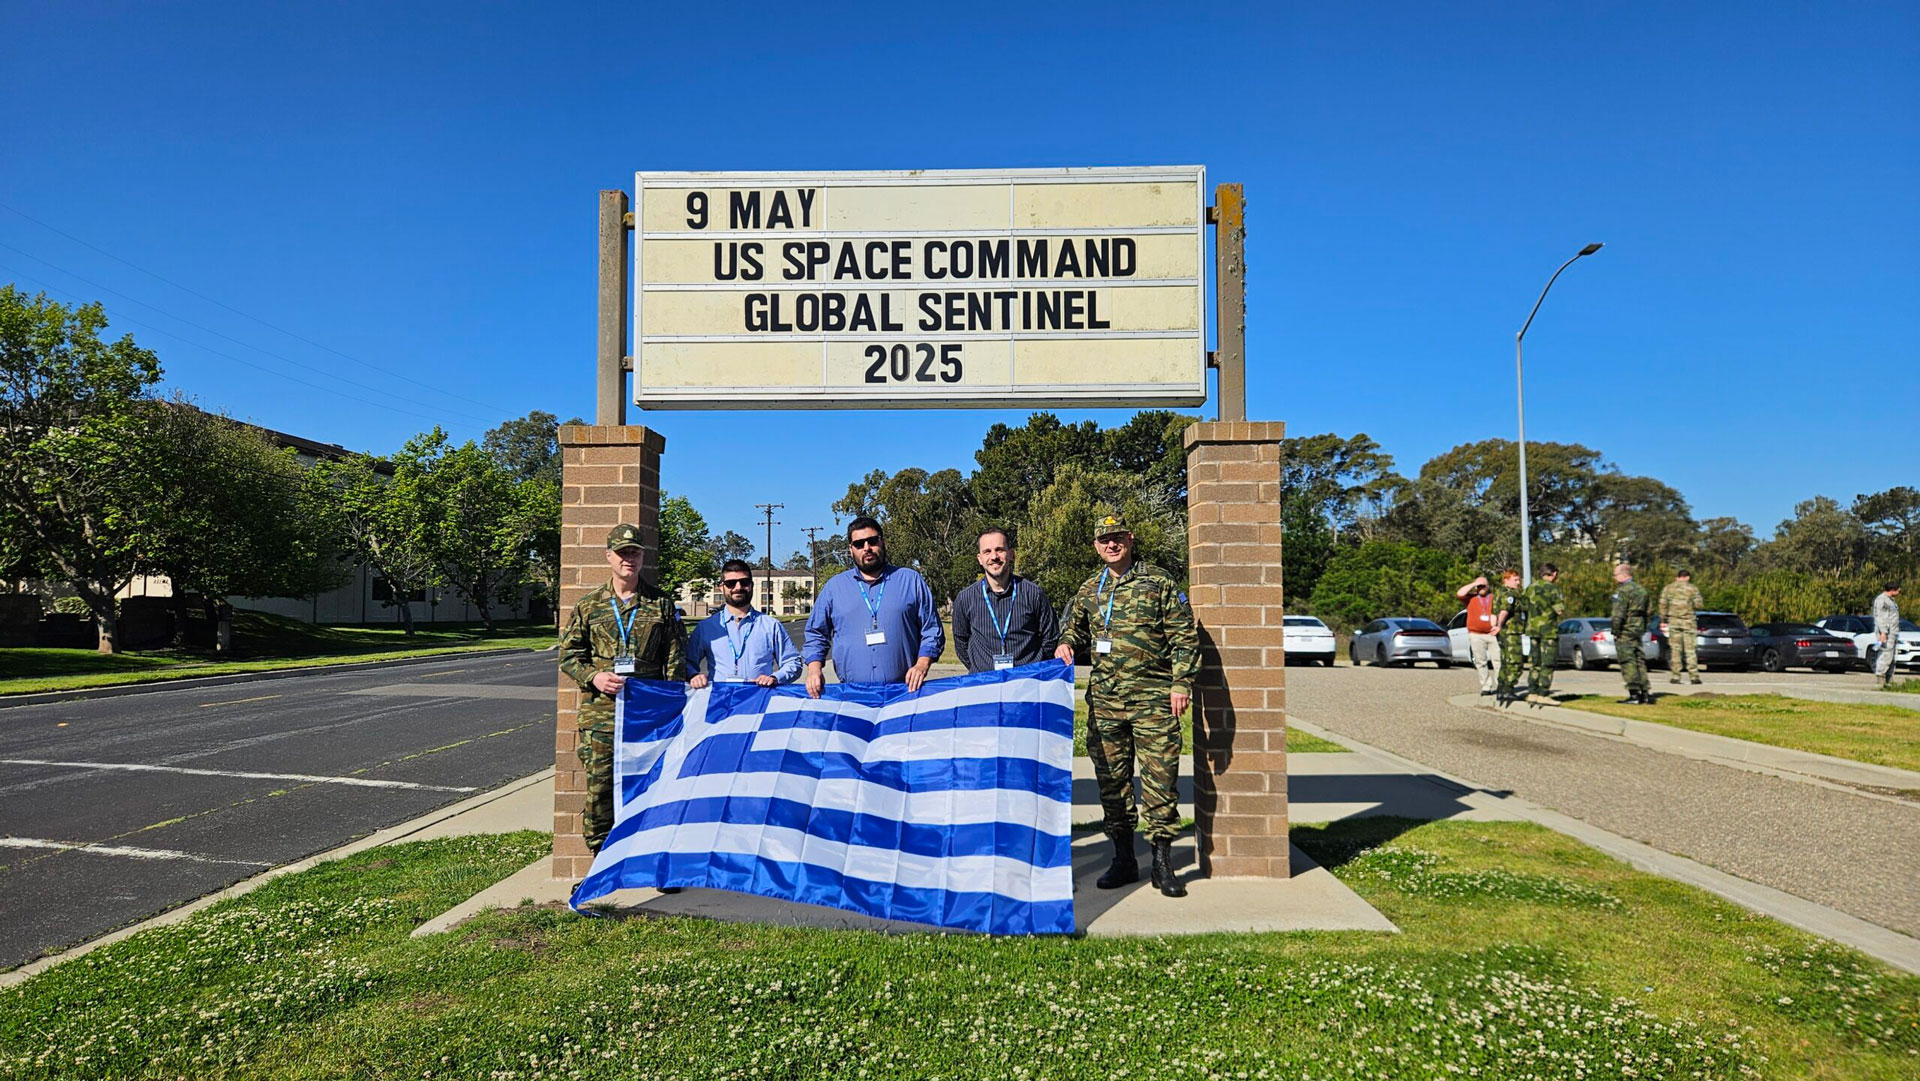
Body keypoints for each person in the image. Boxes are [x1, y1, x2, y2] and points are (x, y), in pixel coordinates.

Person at [1055, 513, 1198, 899]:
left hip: (1153, 700)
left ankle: (1163, 864)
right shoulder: (1089, 588)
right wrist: (1066, 642)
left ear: (1130, 539)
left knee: (1160, 783)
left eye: (1117, 537)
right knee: (1112, 786)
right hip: (1105, 704)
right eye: (1104, 540)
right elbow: (1073, 627)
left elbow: (1185, 637)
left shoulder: (1159, 581)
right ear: (1096, 546)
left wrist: (1181, 682)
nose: (1111, 544)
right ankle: (1123, 859)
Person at [558, 524, 686, 854]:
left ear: (643, 557)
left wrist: (672, 710)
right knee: (600, 788)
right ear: (609, 556)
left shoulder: (661, 605)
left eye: (635, 552)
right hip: (602, 717)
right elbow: (569, 655)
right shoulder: (589, 606)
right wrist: (594, 677)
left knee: (652, 787)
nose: (629, 559)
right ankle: (601, 863)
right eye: (622, 552)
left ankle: (652, 856)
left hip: (647, 718)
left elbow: (675, 661)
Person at [803, 516, 943, 695]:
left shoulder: (910, 580)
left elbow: (932, 630)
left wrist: (922, 665)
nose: (867, 548)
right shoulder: (834, 588)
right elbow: (816, 634)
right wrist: (814, 670)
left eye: (872, 541)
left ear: (882, 542)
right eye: (859, 544)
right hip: (852, 695)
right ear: (851, 549)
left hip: (905, 693)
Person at [950, 527, 1060, 673]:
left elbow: (1050, 638)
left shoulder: (1033, 593)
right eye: (987, 551)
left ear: (1011, 554)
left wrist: (1033, 669)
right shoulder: (965, 598)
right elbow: (961, 643)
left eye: (999, 550)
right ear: (980, 559)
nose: (994, 556)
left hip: (1026, 684)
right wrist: (980, 669)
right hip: (985, 685)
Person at [686, 559, 801, 688]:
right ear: (721, 587)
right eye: (731, 583)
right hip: (720, 702)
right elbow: (687, 662)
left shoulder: (771, 626)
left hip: (759, 702)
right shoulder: (705, 628)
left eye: (744, 582)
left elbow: (793, 662)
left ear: (751, 585)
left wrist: (775, 678)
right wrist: (693, 676)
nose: (738, 587)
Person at [1610, 562, 1653, 704]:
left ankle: (1634, 693)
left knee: (1627, 660)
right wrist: (1644, 626)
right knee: (1639, 660)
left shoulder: (1623, 591)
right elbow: (1649, 612)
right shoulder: (1642, 590)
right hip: (1638, 628)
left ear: (1624, 575)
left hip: (1626, 629)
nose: (1614, 577)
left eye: (1615, 575)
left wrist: (1616, 630)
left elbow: (1618, 614)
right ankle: (1645, 692)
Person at [1523, 563, 1567, 701]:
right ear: (1553, 574)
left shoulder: (1529, 588)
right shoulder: (1553, 589)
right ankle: (1543, 694)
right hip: (1548, 631)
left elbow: (1524, 607)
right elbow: (1559, 610)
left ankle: (1532, 692)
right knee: (1547, 664)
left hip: (1533, 630)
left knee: (1535, 664)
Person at [1659, 568, 1706, 685]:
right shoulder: (1693, 588)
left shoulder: (1668, 588)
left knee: (1675, 650)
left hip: (1674, 622)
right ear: (1688, 577)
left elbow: (1662, 604)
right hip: (1688, 622)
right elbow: (1699, 605)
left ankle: (1675, 676)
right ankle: (1694, 676)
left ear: (1678, 577)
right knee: (1690, 650)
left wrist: (1663, 619)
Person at [1455, 575, 1500, 696]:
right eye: (1479, 586)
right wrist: (1473, 584)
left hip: (1492, 634)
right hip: (1476, 634)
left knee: (1497, 660)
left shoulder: (1493, 598)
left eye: (1484, 585)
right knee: (1481, 662)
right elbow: (1459, 593)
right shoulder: (1470, 599)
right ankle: (1486, 686)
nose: (1481, 588)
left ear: (1488, 586)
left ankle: (1501, 685)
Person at [1492, 568, 1526, 705]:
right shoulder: (1509, 594)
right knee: (1515, 662)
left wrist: (1494, 626)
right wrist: (1499, 625)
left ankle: (1501, 689)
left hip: (1504, 633)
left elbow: (1493, 612)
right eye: (1515, 579)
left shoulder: (1498, 592)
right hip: (1511, 631)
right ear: (1506, 580)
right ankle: (1508, 688)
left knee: (1505, 661)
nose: (1518, 582)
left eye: (1519, 579)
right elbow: (1504, 611)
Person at [1872, 582, 1903, 686]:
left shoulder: (1890, 601)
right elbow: (1881, 617)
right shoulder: (1882, 600)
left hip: (1893, 633)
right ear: (1893, 590)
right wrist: (1883, 632)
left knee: (1891, 656)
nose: (1899, 592)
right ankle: (1881, 677)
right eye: (1898, 590)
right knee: (1885, 654)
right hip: (1886, 633)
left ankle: (1889, 678)